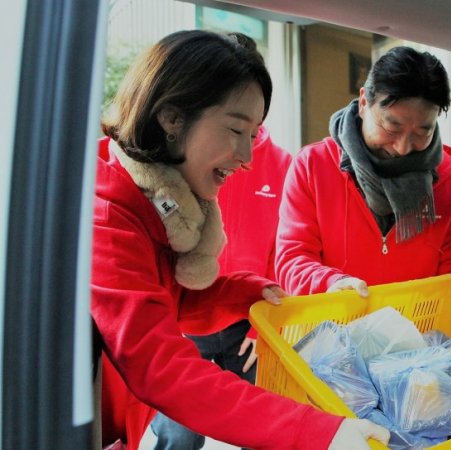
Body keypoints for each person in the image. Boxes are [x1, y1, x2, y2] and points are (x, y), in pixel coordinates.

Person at [92, 29, 389, 450]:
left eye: (253, 135)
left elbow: (168, 298)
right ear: (172, 118)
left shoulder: (152, 201)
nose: (248, 157)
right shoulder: (110, 216)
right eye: (235, 130)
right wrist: (317, 431)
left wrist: (250, 293)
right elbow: (161, 367)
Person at [275, 46, 451, 343]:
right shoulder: (313, 166)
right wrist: (330, 282)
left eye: (422, 132)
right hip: (329, 341)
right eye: (392, 126)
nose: (403, 147)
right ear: (365, 102)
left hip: (412, 348)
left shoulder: (450, 178)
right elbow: (293, 258)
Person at [148, 33, 293, 450]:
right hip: (184, 315)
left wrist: (269, 324)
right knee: (177, 435)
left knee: (263, 430)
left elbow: (286, 252)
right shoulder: (178, 162)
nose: (241, 153)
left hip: (248, 318)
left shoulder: (283, 165)